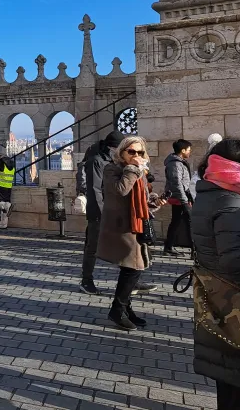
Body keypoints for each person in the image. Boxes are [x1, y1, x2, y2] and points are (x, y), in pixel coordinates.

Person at [190, 139, 240, 409]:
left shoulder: (210, 192)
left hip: (221, 302)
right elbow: (235, 262)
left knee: (230, 389)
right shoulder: (232, 202)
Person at [97, 136, 166, 331]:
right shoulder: (112, 169)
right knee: (133, 268)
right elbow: (121, 190)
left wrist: (154, 201)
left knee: (134, 268)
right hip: (121, 227)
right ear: (122, 152)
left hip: (136, 224)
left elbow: (141, 198)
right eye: (132, 152)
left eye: (140, 152)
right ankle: (118, 310)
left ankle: (124, 308)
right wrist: (133, 169)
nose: (136, 156)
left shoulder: (139, 171)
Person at [80, 131, 124, 295]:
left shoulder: (114, 159)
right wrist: (102, 213)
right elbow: (95, 189)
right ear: (112, 147)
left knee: (125, 245)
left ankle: (130, 279)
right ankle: (86, 280)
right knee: (93, 247)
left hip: (115, 209)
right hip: (100, 212)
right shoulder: (97, 161)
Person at [164, 139, 193, 256]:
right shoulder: (175, 164)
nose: (190, 152)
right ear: (183, 150)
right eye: (189, 150)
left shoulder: (179, 162)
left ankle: (168, 247)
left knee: (176, 222)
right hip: (180, 198)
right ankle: (195, 251)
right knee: (190, 223)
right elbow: (176, 184)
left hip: (182, 197)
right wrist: (185, 201)